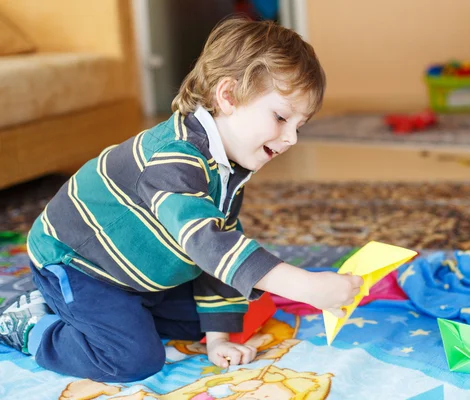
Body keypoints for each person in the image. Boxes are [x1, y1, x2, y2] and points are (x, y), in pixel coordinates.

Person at [0, 16, 363, 382]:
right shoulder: (173, 158)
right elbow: (209, 243)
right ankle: (31, 324)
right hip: (79, 265)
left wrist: (218, 338)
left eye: (298, 127)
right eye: (281, 118)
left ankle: (124, 315)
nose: (291, 139)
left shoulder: (227, 169)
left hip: (139, 270)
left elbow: (215, 253)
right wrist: (305, 285)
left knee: (234, 310)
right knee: (133, 359)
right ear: (228, 96)